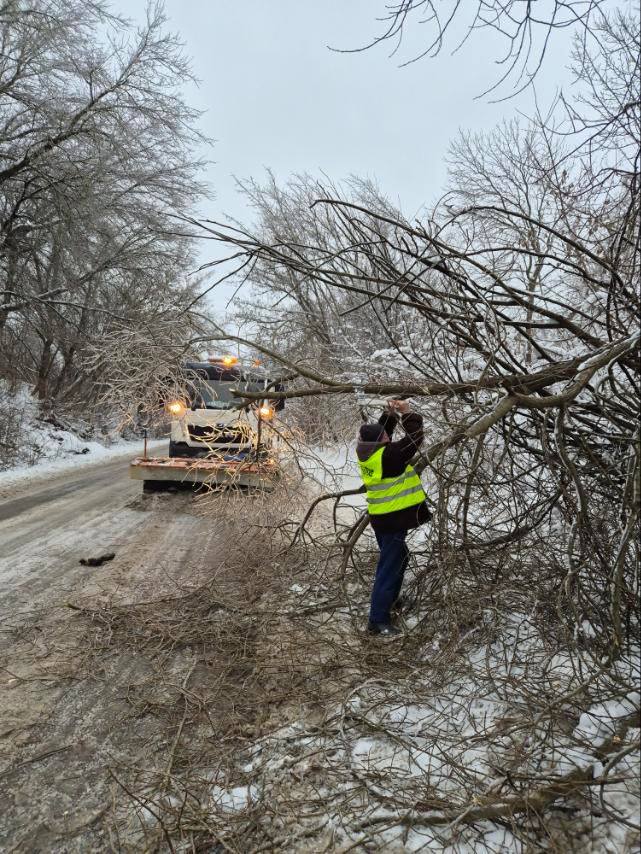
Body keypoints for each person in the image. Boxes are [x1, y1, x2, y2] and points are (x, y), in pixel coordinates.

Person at [356, 399, 432, 636]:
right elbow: (413, 439)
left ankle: (390, 602)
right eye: (386, 437)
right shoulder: (389, 456)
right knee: (388, 567)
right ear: (382, 443)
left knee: (400, 557)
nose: (389, 437)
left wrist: (389, 414)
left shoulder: (369, 452)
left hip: (383, 519)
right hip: (392, 520)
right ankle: (377, 620)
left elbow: (383, 432)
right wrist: (408, 413)